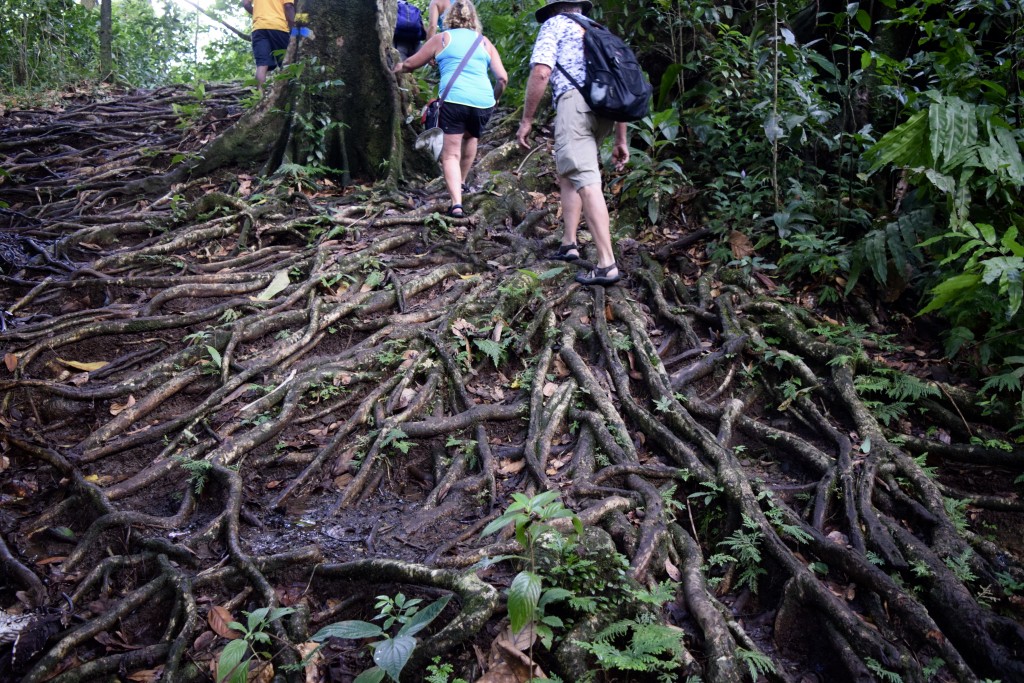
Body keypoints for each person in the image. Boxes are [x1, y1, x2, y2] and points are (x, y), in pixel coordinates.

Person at [516, 0, 630, 286]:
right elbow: (621, 83)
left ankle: (607, 264)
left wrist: (527, 120)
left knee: (585, 178)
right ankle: (569, 243)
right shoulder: (599, 30)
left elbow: (542, 71)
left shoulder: (554, 25)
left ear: (555, 8)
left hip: (574, 104)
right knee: (570, 173)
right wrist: (620, 137)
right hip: (605, 108)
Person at [393, 0, 508, 218]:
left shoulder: (442, 38)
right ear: (473, 19)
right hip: (483, 102)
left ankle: (456, 203)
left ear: (449, 18)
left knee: (450, 155)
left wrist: (395, 67)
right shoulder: (484, 42)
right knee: (471, 138)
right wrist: (494, 99)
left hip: (454, 100)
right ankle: (462, 182)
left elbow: (410, 64)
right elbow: (502, 78)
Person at [242, 0, 296, 90]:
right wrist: (293, 26)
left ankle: (260, 96)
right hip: (279, 27)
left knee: (262, 64)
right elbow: (288, 7)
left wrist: (258, 15)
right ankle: (288, 92)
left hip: (259, 28)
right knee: (286, 61)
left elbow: (246, 4)